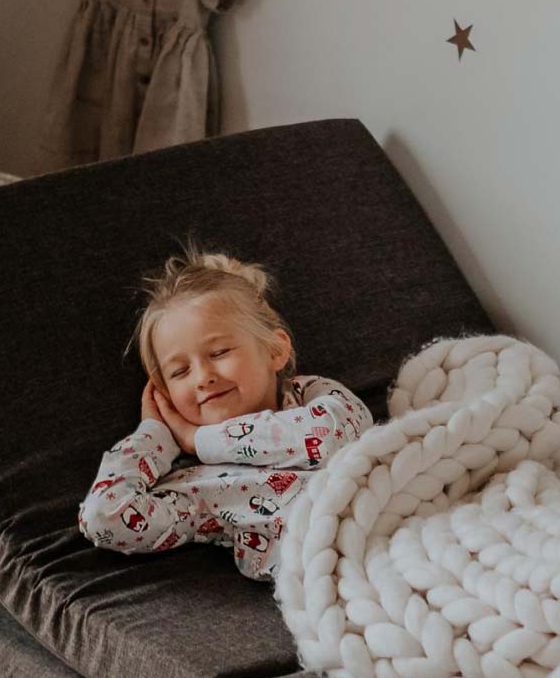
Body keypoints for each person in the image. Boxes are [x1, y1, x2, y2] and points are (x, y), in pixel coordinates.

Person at [78, 239, 374, 581]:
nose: (203, 378)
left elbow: (335, 437)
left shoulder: (309, 396)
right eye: (179, 372)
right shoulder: (198, 487)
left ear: (276, 350)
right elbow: (104, 518)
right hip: (336, 573)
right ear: (165, 395)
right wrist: (155, 434)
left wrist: (199, 438)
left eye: (219, 353)